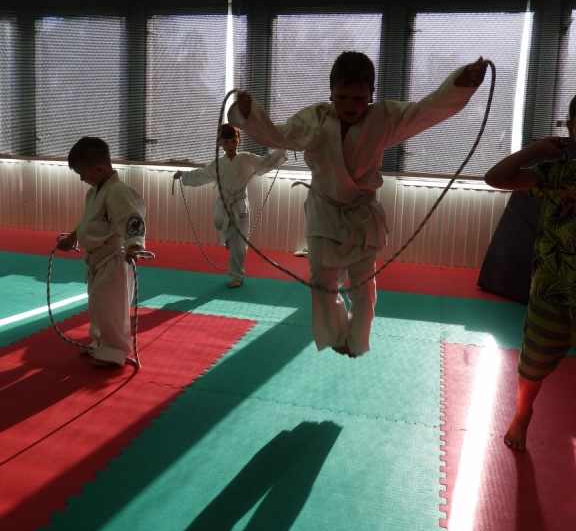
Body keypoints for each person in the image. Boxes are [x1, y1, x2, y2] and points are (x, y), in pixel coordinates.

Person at [229, 50, 488, 357]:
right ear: (331, 93)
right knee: (322, 280)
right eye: (342, 97)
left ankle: (357, 340)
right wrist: (248, 115)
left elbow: (426, 111)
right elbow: (279, 135)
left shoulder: (384, 118)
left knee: (363, 285)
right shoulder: (316, 118)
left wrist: (461, 84)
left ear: (371, 95)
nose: (350, 105)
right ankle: (335, 334)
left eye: (359, 98)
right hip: (324, 209)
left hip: (362, 214)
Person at [484, 96, 576, 451]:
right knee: (533, 364)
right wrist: (536, 149)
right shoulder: (557, 173)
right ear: (570, 128)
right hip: (551, 288)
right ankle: (523, 413)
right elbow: (495, 177)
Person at [57, 136, 147, 367]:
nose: (81, 179)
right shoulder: (94, 192)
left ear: (99, 168)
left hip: (114, 259)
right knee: (98, 304)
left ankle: (115, 351)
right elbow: (87, 223)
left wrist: (134, 245)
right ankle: (100, 343)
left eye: (82, 174)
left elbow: (131, 218)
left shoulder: (117, 191)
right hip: (98, 259)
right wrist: (72, 238)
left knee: (111, 307)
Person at [174, 123, 287, 288]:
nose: (230, 146)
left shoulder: (247, 158)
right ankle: (227, 236)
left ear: (239, 141)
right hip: (224, 203)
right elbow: (202, 175)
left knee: (240, 247)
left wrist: (283, 149)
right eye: (226, 142)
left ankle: (237, 276)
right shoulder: (218, 164)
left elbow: (266, 161)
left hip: (240, 205)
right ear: (220, 143)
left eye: (233, 141)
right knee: (219, 221)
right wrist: (183, 175)